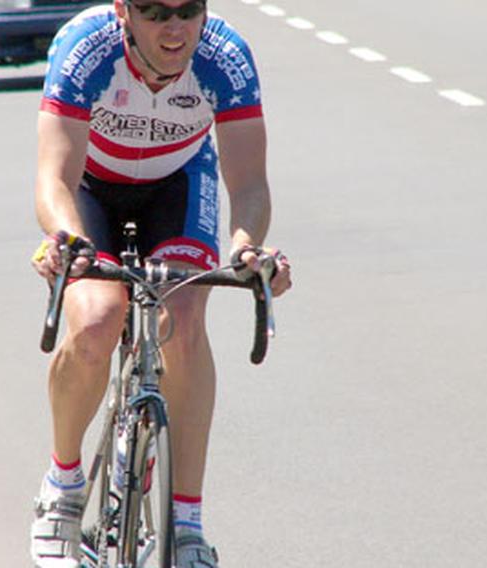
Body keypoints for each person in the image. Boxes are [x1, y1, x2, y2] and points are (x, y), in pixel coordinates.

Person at [29, 1, 292, 566]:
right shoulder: (86, 48)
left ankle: (187, 524)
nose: (174, 28)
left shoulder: (225, 57)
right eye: (154, 12)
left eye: (187, 10)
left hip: (178, 182)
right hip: (90, 189)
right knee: (98, 320)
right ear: (123, 11)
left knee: (185, 323)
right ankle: (64, 487)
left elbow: (248, 183)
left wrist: (246, 247)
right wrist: (69, 241)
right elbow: (54, 177)